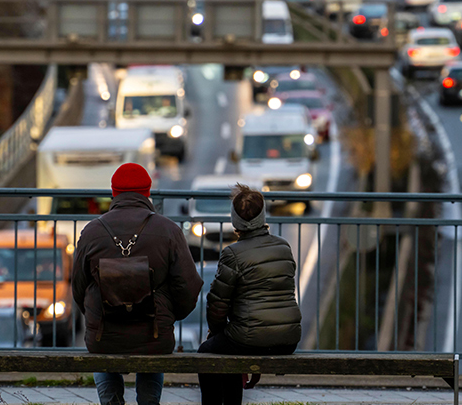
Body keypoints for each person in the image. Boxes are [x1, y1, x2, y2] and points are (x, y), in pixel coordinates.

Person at [72, 163, 203, 405]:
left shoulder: (91, 233)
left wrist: (96, 314)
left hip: (104, 335)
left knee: (104, 353)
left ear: (113, 193)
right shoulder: (169, 230)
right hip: (154, 334)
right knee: (152, 349)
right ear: (147, 193)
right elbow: (188, 287)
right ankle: (149, 401)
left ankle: (110, 401)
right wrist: (168, 316)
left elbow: (78, 287)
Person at [198, 183, 302, 405]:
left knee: (207, 354)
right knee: (231, 343)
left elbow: (217, 305)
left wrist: (217, 334)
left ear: (235, 221)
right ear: (262, 216)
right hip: (289, 338)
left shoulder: (232, 254)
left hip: (248, 338)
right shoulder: (284, 247)